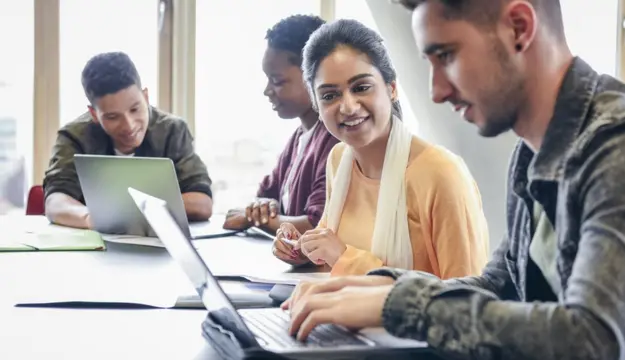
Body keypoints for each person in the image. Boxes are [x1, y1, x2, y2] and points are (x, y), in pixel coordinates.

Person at [283, 1, 625, 359]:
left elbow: (595, 339)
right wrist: (376, 290)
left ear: (518, 28)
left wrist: (403, 306)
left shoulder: (624, 146)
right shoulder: (531, 151)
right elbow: (499, 286)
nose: (436, 91)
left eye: (447, 56)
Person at [271, 19, 490, 278]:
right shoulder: (339, 160)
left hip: (404, 319)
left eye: (361, 87)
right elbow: (331, 259)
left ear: (392, 88)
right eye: (330, 95)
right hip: (343, 314)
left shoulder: (441, 174)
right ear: (317, 105)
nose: (348, 107)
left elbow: (465, 301)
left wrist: (344, 257)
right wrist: (301, 251)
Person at [44, 52, 213, 229]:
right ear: (94, 114)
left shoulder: (172, 131)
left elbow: (202, 202)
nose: (129, 125)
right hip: (96, 246)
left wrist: (130, 210)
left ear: (145, 97)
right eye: (112, 117)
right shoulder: (74, 136)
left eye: (135, 109)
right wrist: (90, 218)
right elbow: (55, 201)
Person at [223, 15, 340, 236]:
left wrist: (253, 218)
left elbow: (317, 226)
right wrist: (260, 210)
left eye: (277, 81)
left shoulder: (336, 140)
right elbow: (266, 196)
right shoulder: (298, 138)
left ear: (314, 75)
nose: (267, 90)